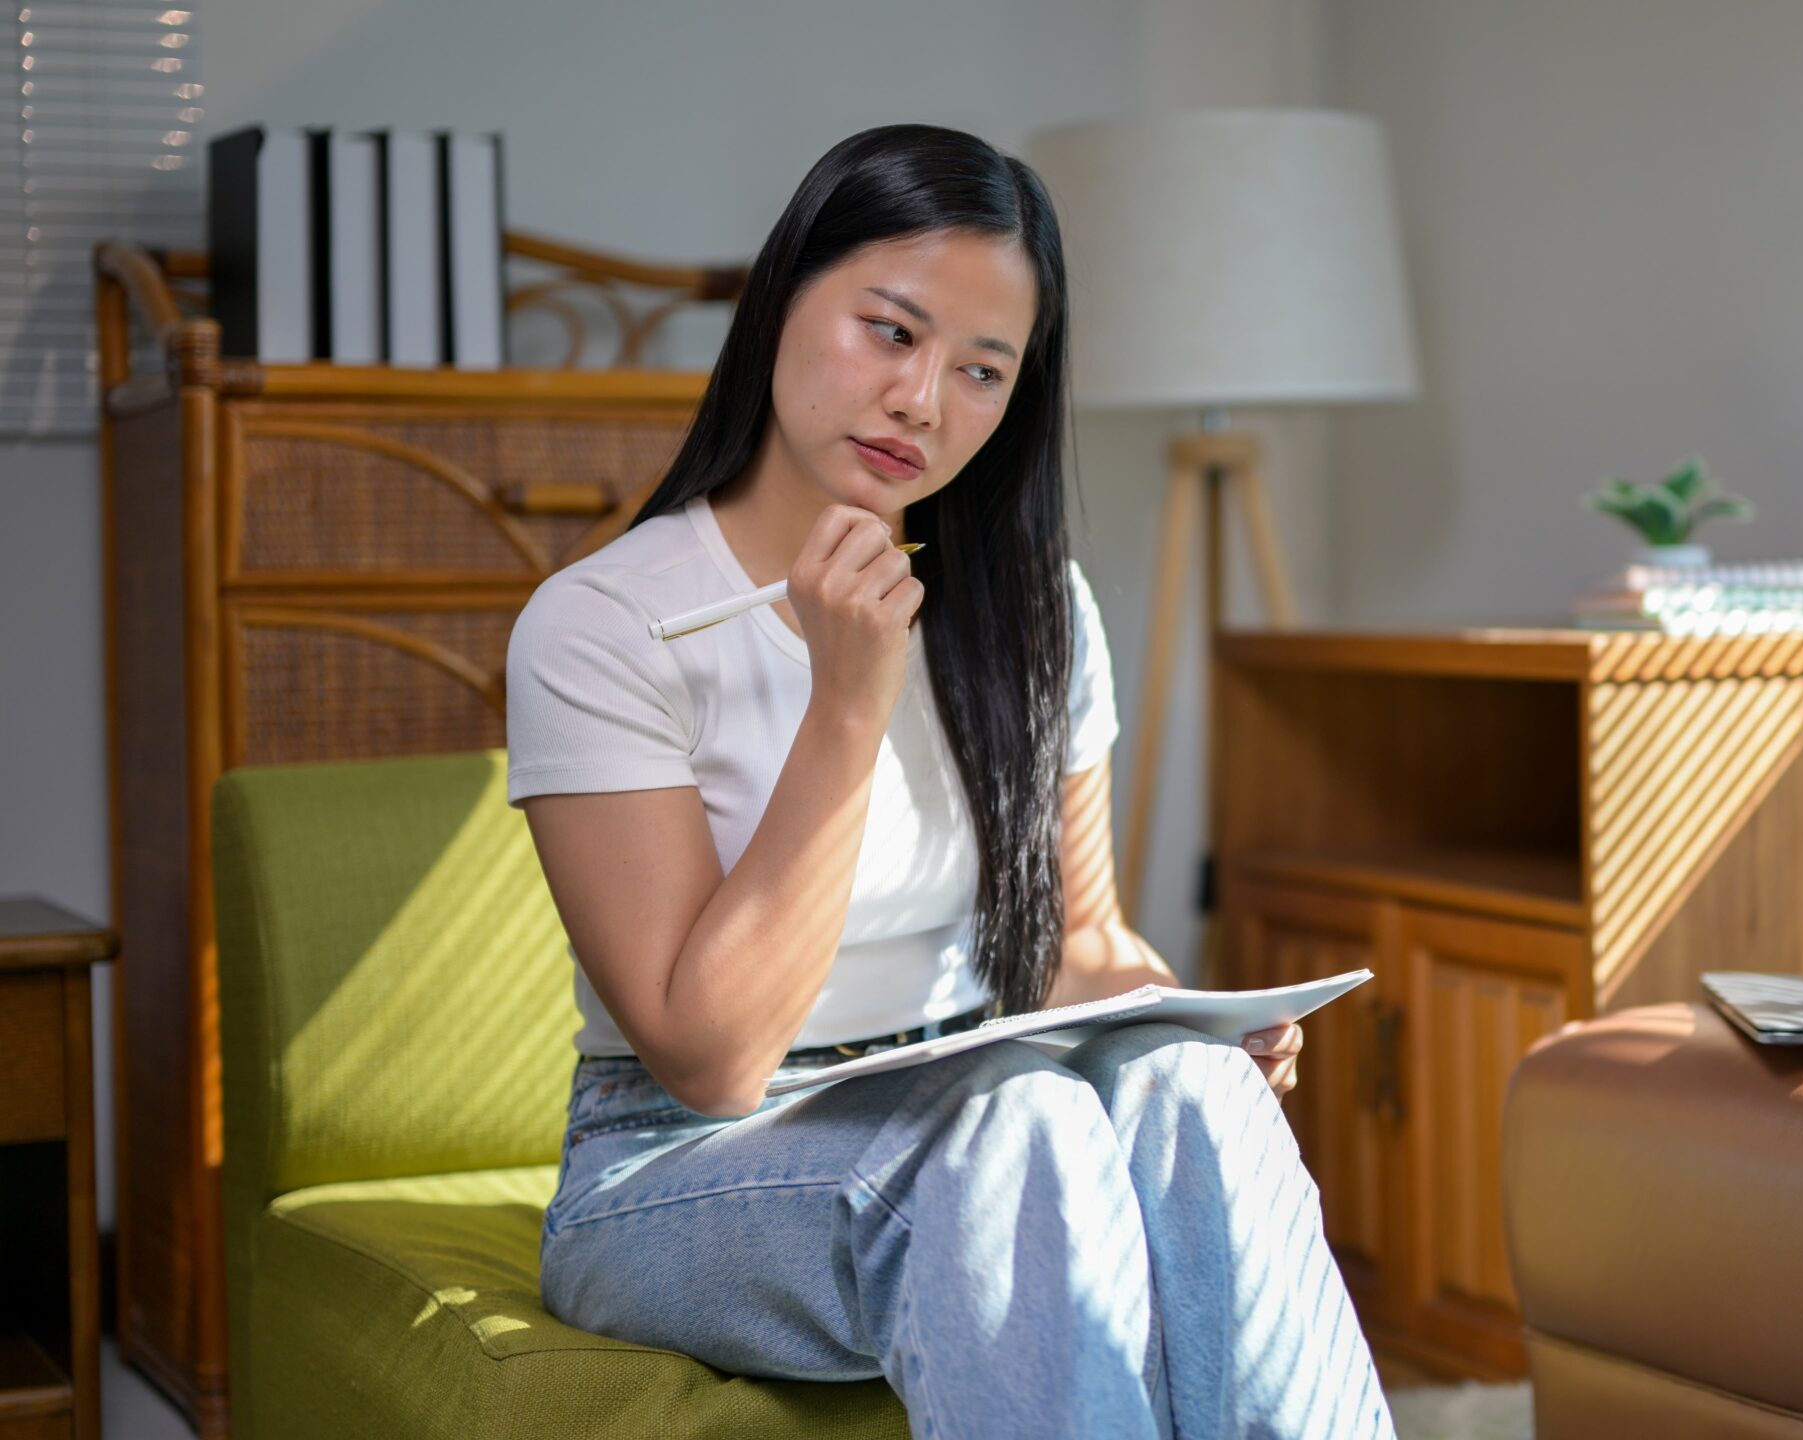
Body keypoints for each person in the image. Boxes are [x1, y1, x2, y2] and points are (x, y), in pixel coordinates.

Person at [502, 123, 1397, 1438]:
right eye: (891, 331)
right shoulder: (603, 625)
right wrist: (848, 703)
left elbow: (1076, 945)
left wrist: (1191, 1018)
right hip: (676, 1165)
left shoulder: (1033, 607)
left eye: (983, 370)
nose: (924, 402)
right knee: (1015, 1125)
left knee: (1184, 1087)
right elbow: (708, 1056)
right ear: (782, 298)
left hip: (972, 1080)